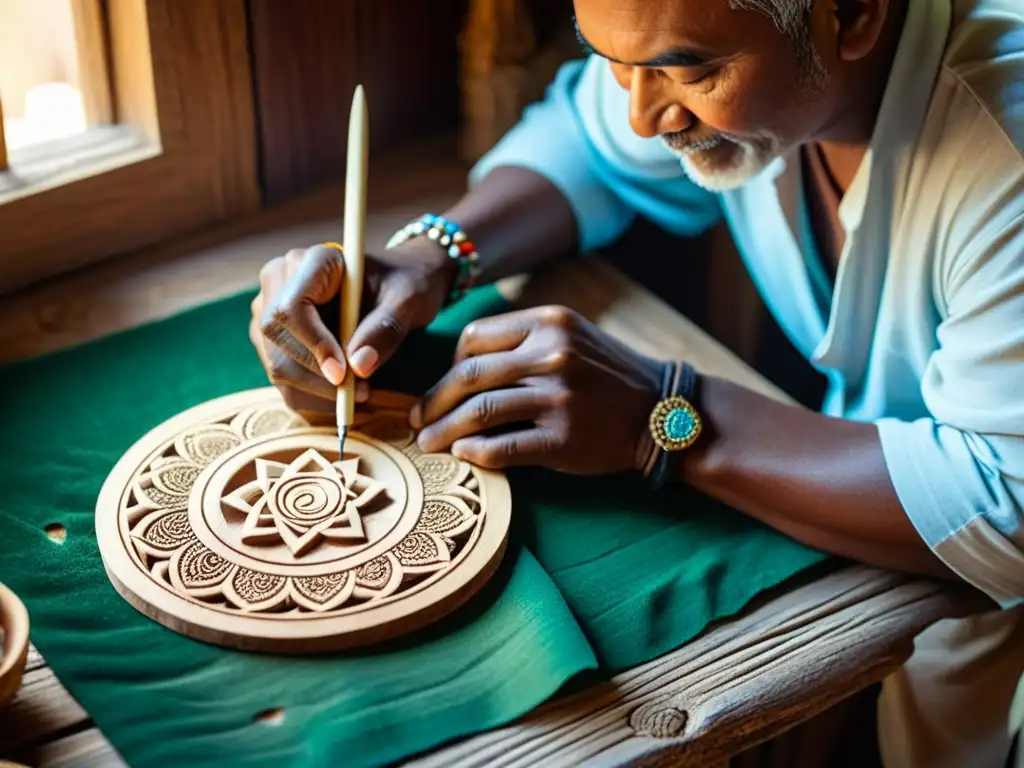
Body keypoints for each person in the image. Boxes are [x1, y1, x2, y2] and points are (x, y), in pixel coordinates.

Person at [248, 0, 1024, 765]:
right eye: (615, 64)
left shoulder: (1006, 149)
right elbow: (585, 147)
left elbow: (1007, 504)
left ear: (854, 13)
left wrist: (667, 415)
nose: (643, 118)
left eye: (688, 71)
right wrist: (432, 258)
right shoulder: (747, 56)